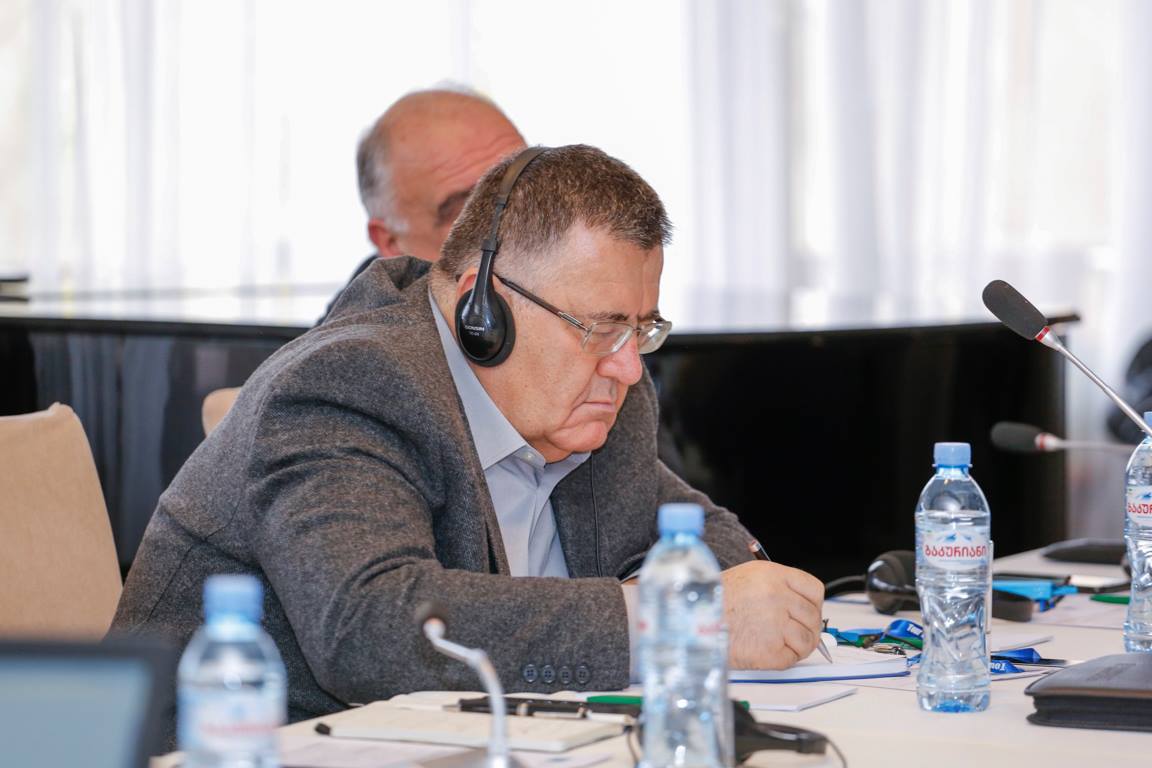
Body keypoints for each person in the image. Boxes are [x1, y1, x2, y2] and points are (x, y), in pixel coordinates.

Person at [111, 145, 824, 728]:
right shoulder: (352, 384)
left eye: (642, 329)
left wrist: (715, 591)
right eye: (602, 327)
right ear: (483, 309)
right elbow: (373, 628)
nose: (629, 365)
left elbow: (708, 540)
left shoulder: (602, 400)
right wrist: (671, 617)